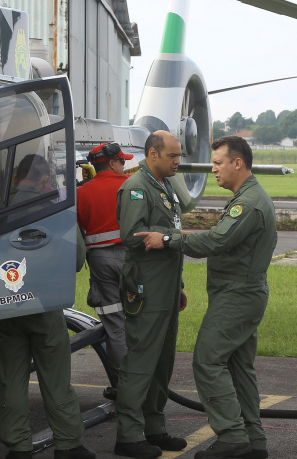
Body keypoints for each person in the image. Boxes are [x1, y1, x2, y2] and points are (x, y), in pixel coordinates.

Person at [136, 135, 276, 459]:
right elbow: (219, 239)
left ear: (237, 163)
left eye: (218, 163)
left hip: (237, 296)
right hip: (241, 294)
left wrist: (167, 240)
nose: (213, 169)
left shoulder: (249, 202)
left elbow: (215, 242)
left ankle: (232, 437)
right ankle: (253, 442)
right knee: (240, 369)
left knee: (207, 360)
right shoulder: (249, 197)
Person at [0, 154, 96, 459]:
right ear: (45, 181)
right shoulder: (56, 209)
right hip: (43, 302)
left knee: (10, 377)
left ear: (14, 180)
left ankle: (18, 446)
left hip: (4, 303)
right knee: (55, 376)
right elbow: (77, 259)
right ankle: (67, 444)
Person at [113, 130, 188, 459]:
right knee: (141, 361)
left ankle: (153, 427)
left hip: (167, 287)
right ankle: (128, 435)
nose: (178, 161)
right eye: (172, 155)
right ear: (153, 154)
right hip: (146, 287)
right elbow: (131, 236)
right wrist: (172, 235)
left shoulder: (165, 186)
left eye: (179, 155)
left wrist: (179, 286)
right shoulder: (136, 187)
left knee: (162, 361)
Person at [76, 142, 134, 396]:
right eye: (122, 161)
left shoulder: (81, 193)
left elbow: (78, 232)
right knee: (142, 321)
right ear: (112, 163)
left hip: (101, 263)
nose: (124, 166)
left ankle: (124, 386)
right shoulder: (132, 186)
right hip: (135, 261)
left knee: (114, 324)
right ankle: (144, 384)